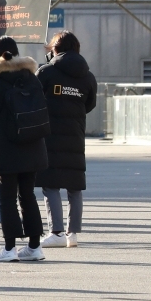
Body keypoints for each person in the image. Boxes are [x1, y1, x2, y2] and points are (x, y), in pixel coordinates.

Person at [0, 36, 49, 262]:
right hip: (32, 145)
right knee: (27, 195)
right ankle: (34, 246)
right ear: (17, 53)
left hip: (5, 147)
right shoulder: (31, 77)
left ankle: (9, 249)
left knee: (7, 198)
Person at [36, 31, 97, 248]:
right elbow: (89, 105)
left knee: (50, 184)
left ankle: (56, 232)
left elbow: (34, 97)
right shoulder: (88, 76)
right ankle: (72, 234)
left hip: (50, 135)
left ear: (55, 48)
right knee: (74, 185)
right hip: (75, 135)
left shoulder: (47, 72)